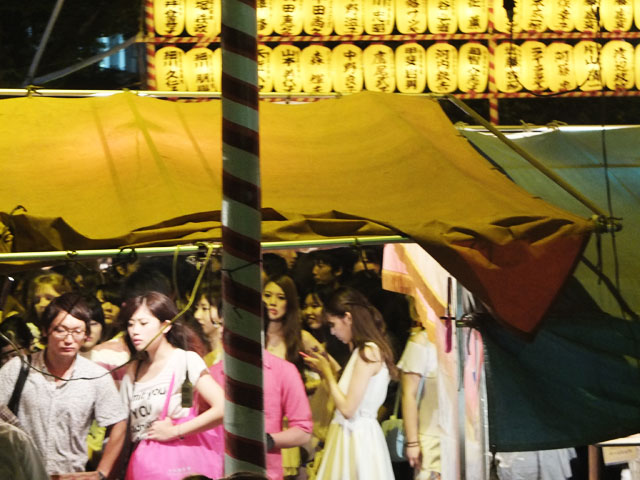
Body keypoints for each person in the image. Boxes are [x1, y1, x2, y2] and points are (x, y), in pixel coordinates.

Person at [0, 292, 128, 477]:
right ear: (45, 330)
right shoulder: (19, 368)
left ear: (85, 334)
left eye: (77, 331)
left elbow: (118, 422)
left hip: (70, 475)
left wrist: (102, 472)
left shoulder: (95, 375)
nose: (69, 340)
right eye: (60, 330)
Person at [119, 291, 225, 479]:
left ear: (165, 326)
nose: (135, 330)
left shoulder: (184, 360)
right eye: (130, 324)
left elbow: (223, 408)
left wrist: (175, 431)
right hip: (144, 463)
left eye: (143, 323)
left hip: (180, 461)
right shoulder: (134, 369)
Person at [304, 287, 396, 480]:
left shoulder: (367, 352)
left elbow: (348, 409)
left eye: (333, 324)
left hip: (356, 437)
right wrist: (325, 374)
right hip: (352, 434)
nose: (332, 331)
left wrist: (328, 373)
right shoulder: (363, 352)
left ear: (347, 318)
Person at [398, 328, 440, 480]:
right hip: (431, 442)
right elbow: (408, 394)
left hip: (464, 441)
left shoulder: (468, 338)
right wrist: (412, 442)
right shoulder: (422, 343)